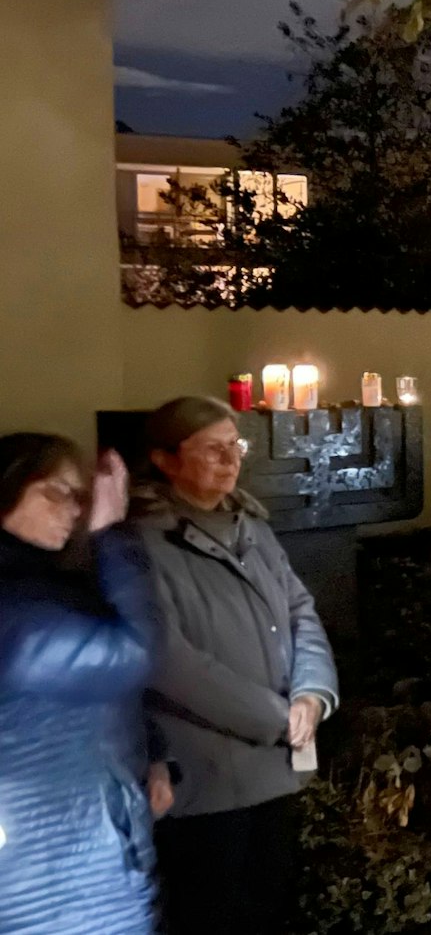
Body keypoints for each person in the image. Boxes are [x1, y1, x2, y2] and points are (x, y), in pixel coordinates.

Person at [134, 396, 339, 935]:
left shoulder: (251, 525)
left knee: (270, 904)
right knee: (213, 912)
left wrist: (312, 693)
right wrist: (276, 717)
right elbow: (171, 661)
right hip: (206, 775)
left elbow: (299, 611)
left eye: (235, 445)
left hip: (276, 769)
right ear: (165, 459)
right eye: (212, 449)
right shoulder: (143, 542)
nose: (231, 460)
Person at [0, 435, 167, 935]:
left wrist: (151, 753)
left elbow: (102, 696)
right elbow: (133, 653)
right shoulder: (16, 613)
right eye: (54, 492)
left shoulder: (46, 586)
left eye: (78, 495)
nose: (74, 509)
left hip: (79, 850)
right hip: (48, 871)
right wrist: (114, 533)